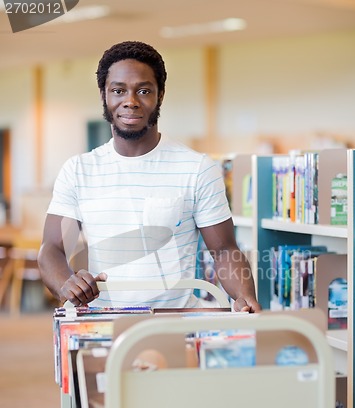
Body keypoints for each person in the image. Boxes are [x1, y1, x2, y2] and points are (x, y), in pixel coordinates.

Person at [38, 41, 261, 313]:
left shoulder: (197, 168)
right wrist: (66, 283)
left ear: (160, 95)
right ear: (104, 96)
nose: (130, 101)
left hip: (175, 326)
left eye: (143, 90)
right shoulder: (78, 171)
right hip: (98, 324)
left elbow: (224, 250)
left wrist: (244, 296)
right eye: (118, 90)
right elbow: (51, 248)